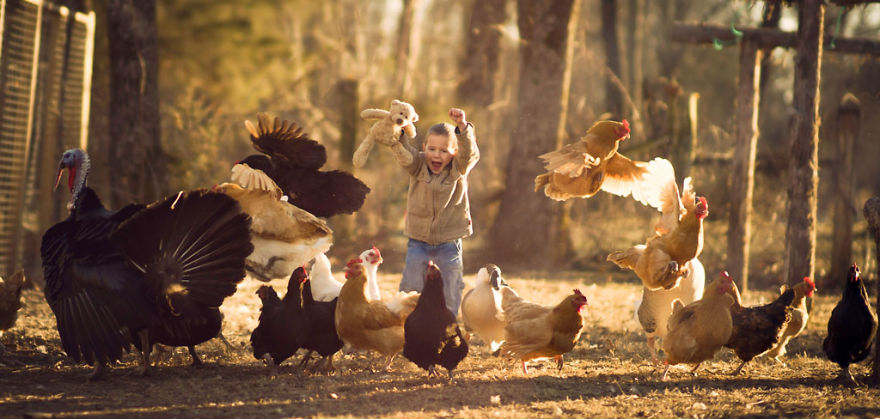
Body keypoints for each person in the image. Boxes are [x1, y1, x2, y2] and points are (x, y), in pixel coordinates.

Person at [392, 107, 479, 316]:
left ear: (454, 153)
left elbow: (470, 153)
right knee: (411, 284)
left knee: (450, 285)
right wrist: (399, 131)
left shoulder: (459, 168)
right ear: (424, 148)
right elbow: (403, 152)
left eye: (444, 151)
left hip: (449, 242)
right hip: (418, 240)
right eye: (432, 149)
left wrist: (463, 128)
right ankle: (407, 324)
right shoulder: (417, 164)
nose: (436, 155)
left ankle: (446, 326)